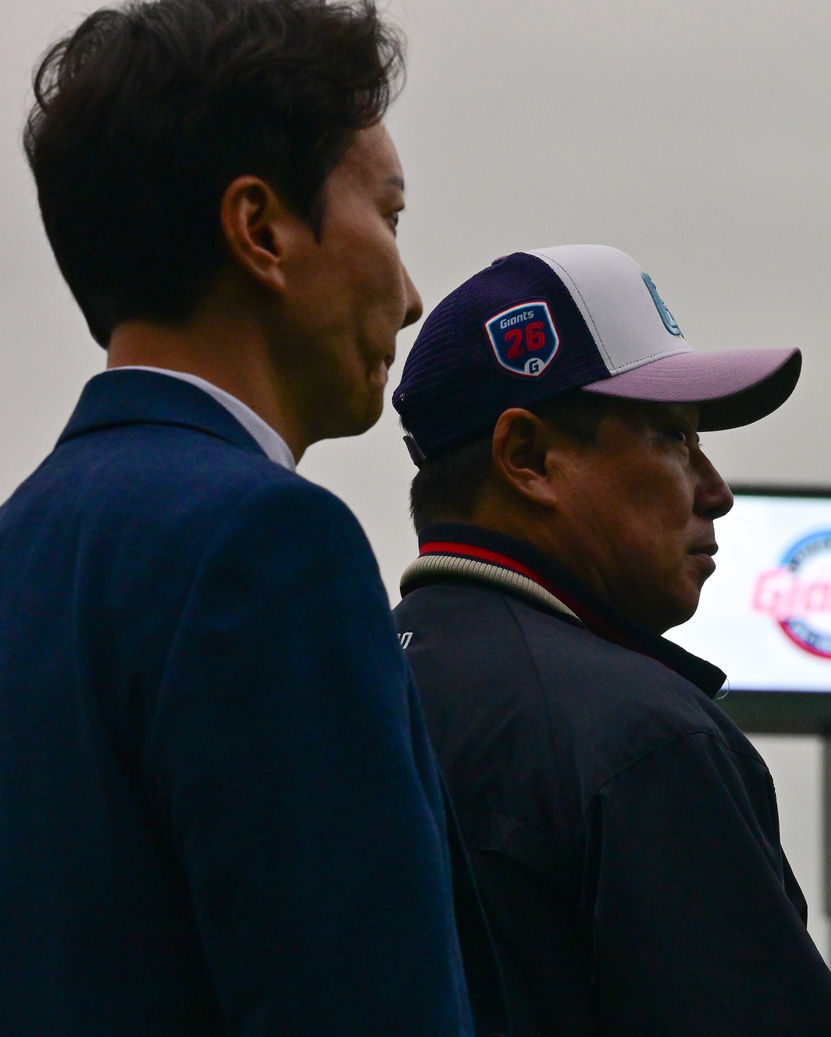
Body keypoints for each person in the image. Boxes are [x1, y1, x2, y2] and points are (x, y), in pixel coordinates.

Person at [0, 1, 503, 1033]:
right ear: (262, 229)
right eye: (390, 217)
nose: (413, 296)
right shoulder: (270, 545)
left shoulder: (23, 547)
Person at [391, 244, 831, 1036]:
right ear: (528, 458)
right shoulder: (645, 737)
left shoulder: (325, 688)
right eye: (674, 436)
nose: (716, 490)